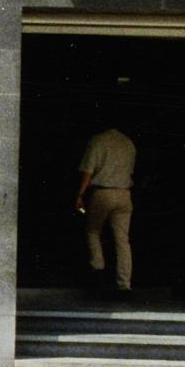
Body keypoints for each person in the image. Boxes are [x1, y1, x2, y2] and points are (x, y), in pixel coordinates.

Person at [75, 124, 136, 297]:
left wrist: (80, 194)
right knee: (122, 240)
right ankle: (124, 284)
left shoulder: (98, 140)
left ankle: (98, 270)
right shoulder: (128, 142)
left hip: (102, 192)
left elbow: (88, 171)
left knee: (93, 231)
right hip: (124, 193)